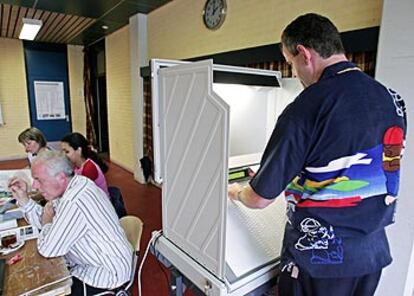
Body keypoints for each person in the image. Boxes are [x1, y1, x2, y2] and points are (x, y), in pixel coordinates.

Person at [228, 13, 407, 296]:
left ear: (304, 54)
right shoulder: (391, 98)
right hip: (372, 255)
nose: (295, 74)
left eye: (290, 64)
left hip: (321, 264)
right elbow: (348, 161)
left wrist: (238, 192)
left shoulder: (307, 106)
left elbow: (260, 199)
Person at [8, 150, 133, 295]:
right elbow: (45, 218)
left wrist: (48, 223)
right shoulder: (73, 185)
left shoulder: (74, 200)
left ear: (61, 177)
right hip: (94, 264)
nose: (35, 186)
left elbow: (49, 249)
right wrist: (24, 199)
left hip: (105, 275)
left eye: (39, 179)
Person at [60, 132, 110, 197]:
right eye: (62, 151)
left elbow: (81, 193)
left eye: (67, 152)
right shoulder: (76, 166)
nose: (63, 155)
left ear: (78, 150)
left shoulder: (89, 168)